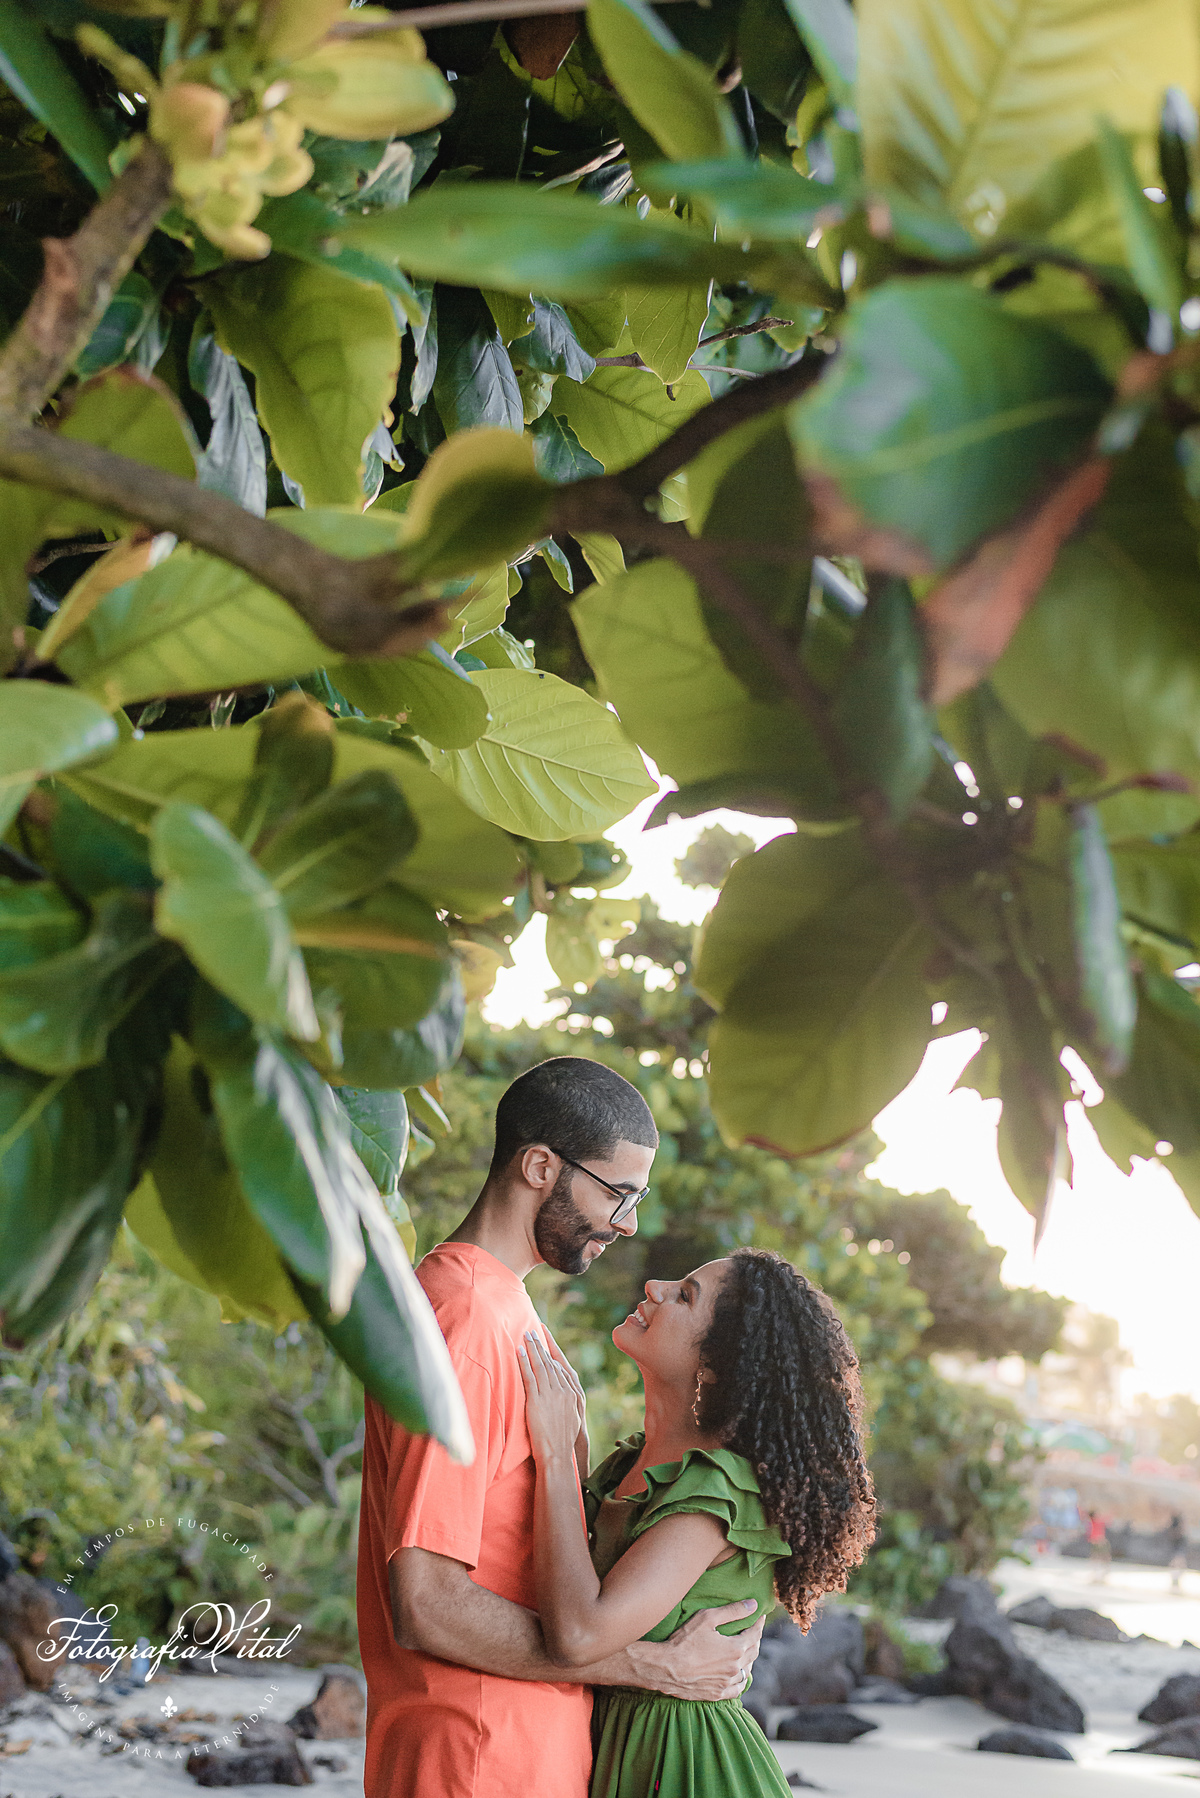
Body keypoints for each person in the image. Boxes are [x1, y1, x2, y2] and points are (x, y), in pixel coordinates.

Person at [357, 1058, 763, 1798]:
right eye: (617, 1192)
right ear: (541, 1167)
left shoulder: (505, 1309)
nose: (628, 1222)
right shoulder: (468, 1319)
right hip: (475, 1754)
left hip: (521, 1749)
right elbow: (427, 1604)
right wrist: (651, 1666)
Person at [520, 1246, 876, 1798]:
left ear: (715, 1364)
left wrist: (553, 1459)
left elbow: (578, 1634)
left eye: (685, 1296)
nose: (655, 1287)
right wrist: (570, 1458)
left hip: (687, 1769)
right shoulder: (628, 1466)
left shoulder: (717, 1491)